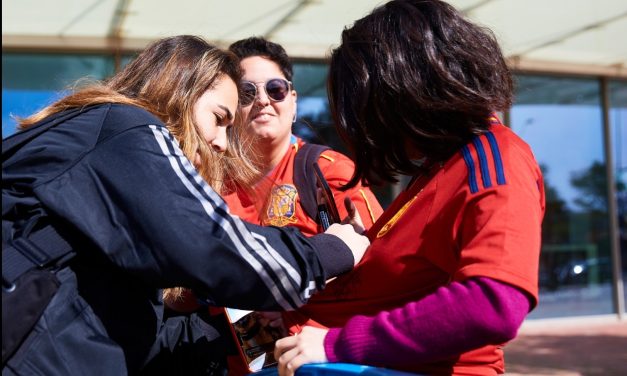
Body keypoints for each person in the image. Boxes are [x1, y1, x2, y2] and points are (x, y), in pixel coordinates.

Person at [1, 35, 369, 375]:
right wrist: (334, 249)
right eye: (220, 119)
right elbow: (213, 247)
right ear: (181, 90)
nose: (223, 143)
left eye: (275, 89)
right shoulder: (128, 126)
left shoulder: (107, 143)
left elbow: (133, 328)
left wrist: (240, 336)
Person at [274, 1, 546, 375]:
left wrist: (337, 344)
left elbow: (494, 302)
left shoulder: (496, 157)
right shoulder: (439, 167)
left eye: (369, 109)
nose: (370, 127)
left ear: (405, 89)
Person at [223, 36, 383, 236]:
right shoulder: (210, 180)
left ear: (293, 101)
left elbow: (375, 252)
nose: (263, 100)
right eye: (247, 92)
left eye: (275, 89)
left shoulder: (329, 171)